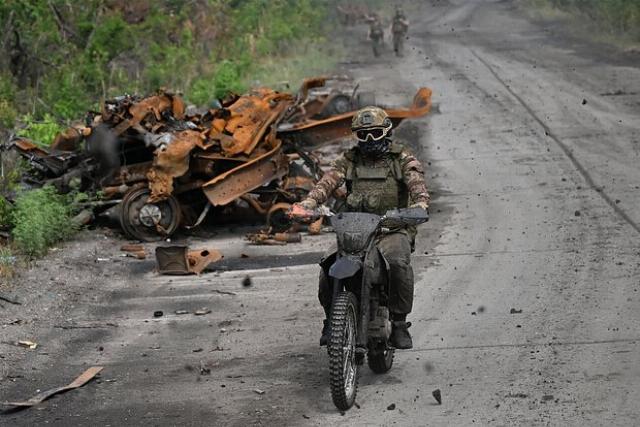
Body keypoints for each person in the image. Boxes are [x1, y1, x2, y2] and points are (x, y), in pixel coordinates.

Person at [292, 106, 430, 349]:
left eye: (375, 133)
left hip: (391, 228)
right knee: (327, 266)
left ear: (386, 132)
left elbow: (416, 181)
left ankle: (399, 323)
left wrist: (419, 204)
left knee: (398, 263)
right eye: (363, 134)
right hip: (356, 230)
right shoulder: (349, 159)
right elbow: (328, 181)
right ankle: (331, 320)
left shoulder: (401, 158)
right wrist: (309, 202)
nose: (369, 140)